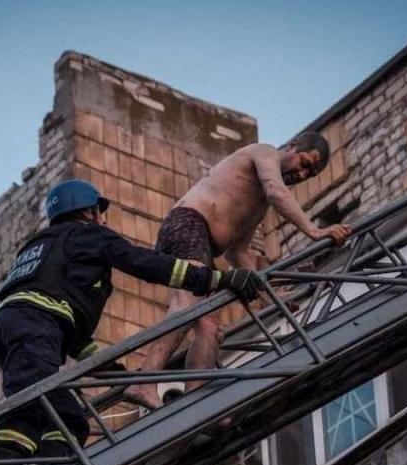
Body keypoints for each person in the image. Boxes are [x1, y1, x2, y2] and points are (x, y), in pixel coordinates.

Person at [0, 179, 262, 465]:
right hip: (34, 325)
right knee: (51, 413)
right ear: (88, 211)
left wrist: (106, 367)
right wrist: (216, 278)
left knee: (48, 409)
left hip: (10, 328)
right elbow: (146, 264)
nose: (104, 220)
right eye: (100, 213)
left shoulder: (43, 247)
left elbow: (68, 328)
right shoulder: (89, 235)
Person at [124, 132, 353, 409]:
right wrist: (314, 231)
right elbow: (275, 189)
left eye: (310, 173)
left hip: (204, 245)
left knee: (211, 328)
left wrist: (272, 297)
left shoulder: (258, 206)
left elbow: (237, 252)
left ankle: (195, 403)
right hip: (189, 225)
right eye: (303, 163)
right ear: (291, 146)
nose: (302, 174)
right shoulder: (264, 153)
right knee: (187, 305)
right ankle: (143, 383)